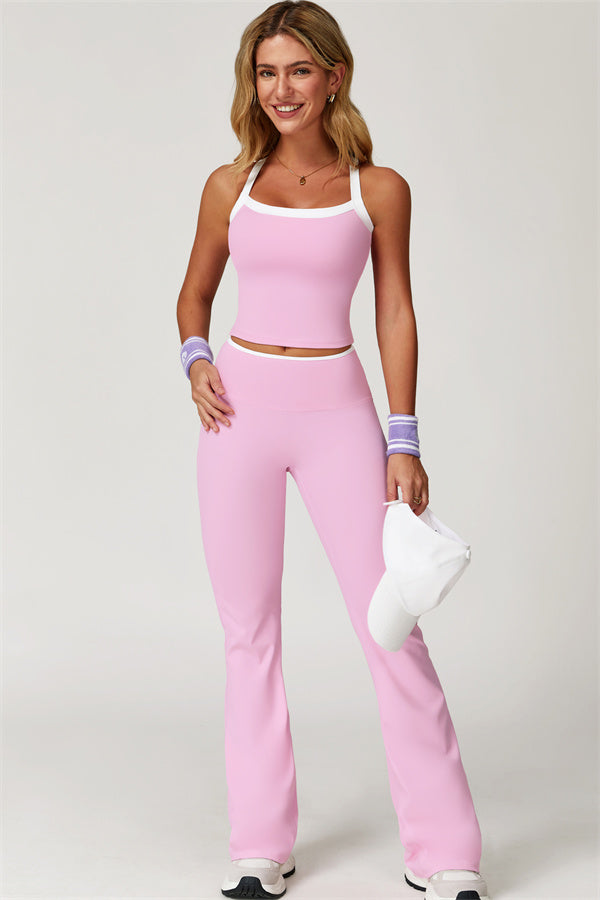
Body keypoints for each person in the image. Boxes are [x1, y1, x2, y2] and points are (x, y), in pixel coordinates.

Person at [176, 2, 490, 898]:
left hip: (337, 410)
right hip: (238, 414)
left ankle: (446, 852)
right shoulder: (228, 185)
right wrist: (196, 359)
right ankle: (259, 847)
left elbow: (395, 311)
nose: (281, 90)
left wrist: (403, 437)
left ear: (334, 76)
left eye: (299, 71)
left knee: (391, 622)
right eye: (266, 72)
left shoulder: (376, 189)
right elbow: (193, 295)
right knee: (248, 632)